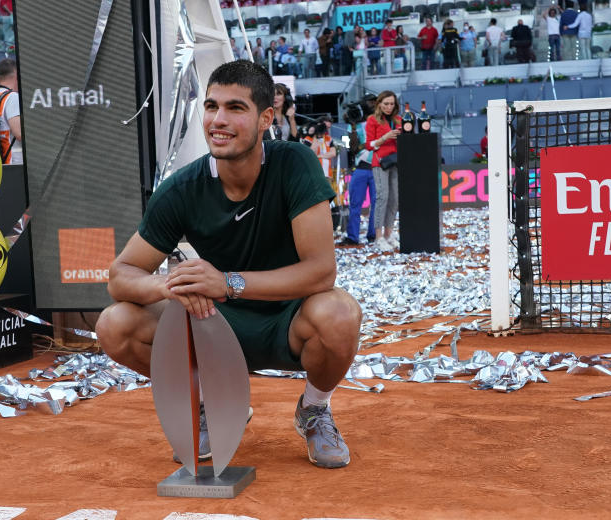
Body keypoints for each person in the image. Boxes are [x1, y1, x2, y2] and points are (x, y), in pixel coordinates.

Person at [94, 60, 360, 469]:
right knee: (115, 324)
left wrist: (227, 282)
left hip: (290, 319)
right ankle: (209, 401)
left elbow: (321, 271)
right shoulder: (182, 188)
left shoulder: (294, 163)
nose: (218, 120)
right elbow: (120, 276)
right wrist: (173, 285)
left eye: (235, 108)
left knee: (340, 313)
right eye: (211, 106)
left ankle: (314, 409)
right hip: (213, 322)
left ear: (265, 118)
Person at [364, 90, 400, 251]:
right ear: (379, 104)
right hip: (380, 163)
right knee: (382, 197)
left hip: (397, 162)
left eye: (392, 104)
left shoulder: (398, 119)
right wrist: (385, 138)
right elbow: (369, 145)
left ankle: (388, 234)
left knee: (394, 199)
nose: (389, 107)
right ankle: (378, 237)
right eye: (386, 104)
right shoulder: (372, 120)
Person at [341, 117, 376, 246]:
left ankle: (373, 234)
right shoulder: (354, 125)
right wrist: (353, 127)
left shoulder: (379, 121)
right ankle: (353, 236)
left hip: (376, 167)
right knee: (355, 204)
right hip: (361, 167)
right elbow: (350, 147)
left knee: (377, 204)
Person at [0, 57, 21, 164]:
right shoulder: (12, 97)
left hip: (0, 160)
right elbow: (19, 133)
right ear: (17, 76)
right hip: (15, 161)